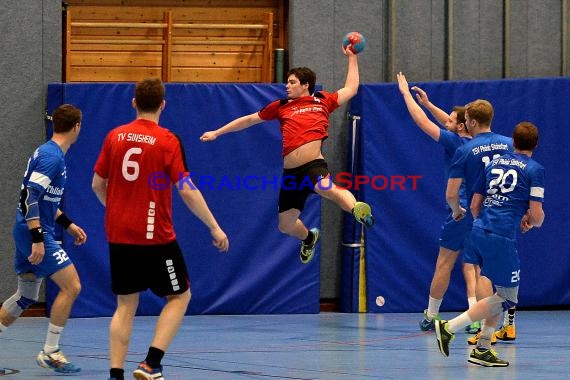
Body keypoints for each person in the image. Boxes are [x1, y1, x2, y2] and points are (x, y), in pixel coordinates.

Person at [92, 78, 229, 380]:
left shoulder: (114, 136)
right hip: (155, 236)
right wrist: (215, 227)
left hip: (118, 234)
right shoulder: (167, 140)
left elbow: (97, 184)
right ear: (163, 104)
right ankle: (151, 363)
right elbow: (187, 190)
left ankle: (116, 374)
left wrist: (116, 210)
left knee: (125, 305)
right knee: (179, 296)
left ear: (133, 103)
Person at [200, 45, 374, 265]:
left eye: (292, 82)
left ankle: (357, 209)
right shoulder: (281, 106)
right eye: (288, 82)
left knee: (325, 187)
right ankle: (309, 237)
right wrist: (218, 132)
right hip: (292, 173)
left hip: (313, 165)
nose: (287, 86)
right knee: (286, 225)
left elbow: (351, 88)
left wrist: (352, 58)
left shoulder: (323, 101)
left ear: (305, 85)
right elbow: (249, 120)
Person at [435, 121, 545, 367]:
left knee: (498, 293)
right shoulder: (534, 169)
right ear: (536, 145)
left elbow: (474, 205)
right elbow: (537, 216)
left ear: (513, 142)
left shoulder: (495, 163)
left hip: (477, 231)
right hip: (501, 236)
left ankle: (483, 348)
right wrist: (530, 221)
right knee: (507, 298)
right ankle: (449, 327)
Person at [0, 104, 87, 373]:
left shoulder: (48, 152)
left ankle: (50, 351)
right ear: (76, 127)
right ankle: (51, 351)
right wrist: (38, 238)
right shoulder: (52, 157)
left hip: (30, 229)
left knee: (25, 296)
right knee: (72, 286)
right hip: (34, 233)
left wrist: (68, 224)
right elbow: (29, 198)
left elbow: (45, 199)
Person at [396, 73, 480, 334]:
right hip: (482, 211)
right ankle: (474, 316)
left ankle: (431, 316)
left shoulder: (454, 142)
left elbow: (422, 122)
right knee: (474, 265)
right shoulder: (479, 141)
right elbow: (447, 120)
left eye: (452, 121)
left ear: (460, 127)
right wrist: (429, 103)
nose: (447, 122)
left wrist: (406, 95)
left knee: (444, 263)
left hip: (461, 210)